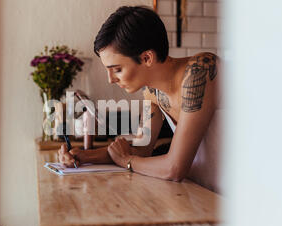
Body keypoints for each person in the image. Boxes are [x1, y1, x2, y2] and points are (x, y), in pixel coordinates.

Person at [58, 6, 221, 191]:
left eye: (117, 69)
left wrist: (128, 161)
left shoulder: (200, 70)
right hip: (202, 193)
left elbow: (174, 168)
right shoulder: (152, 92)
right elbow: (141, 148)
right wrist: (84, 156)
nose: (110, 80)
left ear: (147, 57)